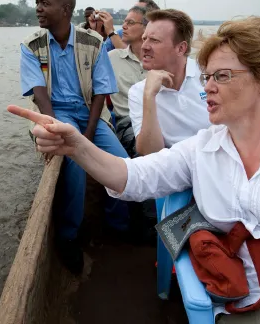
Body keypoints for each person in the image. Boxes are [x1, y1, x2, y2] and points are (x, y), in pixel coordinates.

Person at [8, 16, 260, 324]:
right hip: (258, 289)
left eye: (222, 76)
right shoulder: (202, 148)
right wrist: (75, 145)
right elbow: (132, 177)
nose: (209, 87)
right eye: (207, 76)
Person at [19, 0, 129, 275]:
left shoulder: (92, 42)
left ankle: (117, 224)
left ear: (66, 9)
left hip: (89, 112)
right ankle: (69, 234)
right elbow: (39, 92)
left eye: (45, 3)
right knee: (76, 165)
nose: (38, 8)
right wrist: (56, 126)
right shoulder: (32, 46)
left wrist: (87, 136)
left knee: (123, 161)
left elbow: (101, 91)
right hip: (56, 113)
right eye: (37, 3)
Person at [129, 9, 211, 156]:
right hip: (174, 171)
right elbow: (149, 153)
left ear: (181, 48)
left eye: (154, 40)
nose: (144, 46)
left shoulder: (208, 75)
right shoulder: (139, 92)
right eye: (144, 38)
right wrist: (149, 96)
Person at [108, 5, 150, 157]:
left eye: (130, 23)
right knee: (145, 152)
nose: (123, 26)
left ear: (146, 28)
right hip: (128, 123)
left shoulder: (159, 61)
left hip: (159, 120)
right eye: (124, 22)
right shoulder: (112, 58)